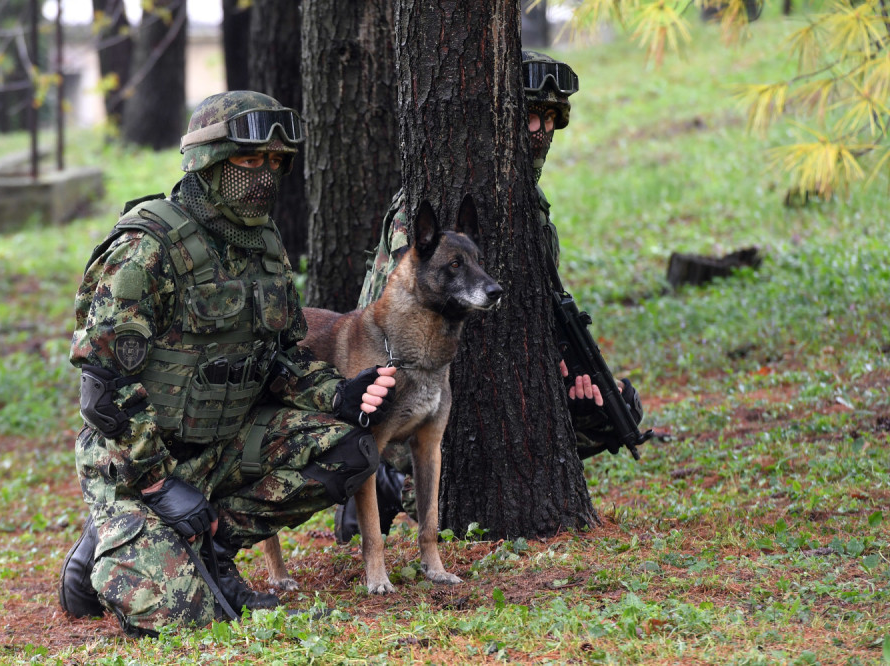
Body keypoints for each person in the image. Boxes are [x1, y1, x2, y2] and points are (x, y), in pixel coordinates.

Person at [58, 91, 397, 637]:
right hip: (136, 462)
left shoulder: (264, 247)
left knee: (349, 449)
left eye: (274, 162)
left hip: (223, 447)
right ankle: (104, 548)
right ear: (206, 163)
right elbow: (104, 392)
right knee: (177, 616)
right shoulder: (146, 248)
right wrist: (156, 485)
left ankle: (210, 543)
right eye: (247, 160)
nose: (264, 175)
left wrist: (336, 394)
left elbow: (281, 358)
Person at [336, 51, 644, 543]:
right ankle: (389, 482)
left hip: (506, 389)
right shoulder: (418, 220)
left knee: (616, 406)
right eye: (527, 116)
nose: (539, 130)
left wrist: (565, 369)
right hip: (422, 393)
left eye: (549, 119)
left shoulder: (534, 210)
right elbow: (384, 332)